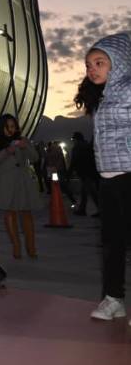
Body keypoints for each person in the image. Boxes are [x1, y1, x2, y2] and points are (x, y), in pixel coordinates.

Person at [74, 32, 131, 324]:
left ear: (119, 63)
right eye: (88, 64)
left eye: (99, 62)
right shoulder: (101, 96)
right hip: (108, 177)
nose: (92, 69)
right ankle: (114, 299)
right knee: (111, 241)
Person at [0, 114, 41, 259]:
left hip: (23, 179)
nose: (11, 129)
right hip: (5, 180)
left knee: (26, 213)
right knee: (10, 213)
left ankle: (31, 247)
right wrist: (6, 151)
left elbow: (35, 157)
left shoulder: (23, 140)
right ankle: (16, 246)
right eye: (8, 126)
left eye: (13, 126)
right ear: (2, 127)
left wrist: (25, 147)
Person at [68, 132, 98, 216]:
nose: (73, 141)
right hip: (90, 172)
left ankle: (99, 209)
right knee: (85, 191)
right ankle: (82, 209)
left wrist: (69, 173)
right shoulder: (87, 146)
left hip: (84, 173)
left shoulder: (77, 148)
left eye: (73, 139)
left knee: (92, 192)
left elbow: (73, 161)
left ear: (76, 139)